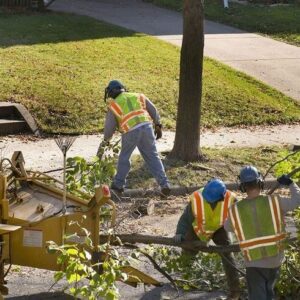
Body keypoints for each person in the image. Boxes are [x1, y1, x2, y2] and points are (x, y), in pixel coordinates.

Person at [224, 165, 300, 300]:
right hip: (275, 258)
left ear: (242, 186)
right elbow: (296, 200)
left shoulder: (235, 209)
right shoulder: (275, 201)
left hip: (253, 261)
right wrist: (291, 183)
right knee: (269, 293)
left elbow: (227, 228)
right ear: (260, 182)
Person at [97, 80, 170, 196]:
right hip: (147, 128)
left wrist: (106, 140)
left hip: (130, 131)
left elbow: (109, 128)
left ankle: (118, 185)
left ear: (111, 92)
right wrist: (158, 125)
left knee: (124, 157)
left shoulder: (114, 105)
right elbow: (153, 110)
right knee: (153, 156)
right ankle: (165, 184)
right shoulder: (138, 96)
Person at [174, 179, 241, 300]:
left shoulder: (231, 199)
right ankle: (184, 276)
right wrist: (179, 233)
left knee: (227, 253)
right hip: (199, 228)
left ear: (221, 197)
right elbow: (185, 218)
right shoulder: (197, 198)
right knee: (188, 250)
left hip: (220, 228)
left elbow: (241, 218)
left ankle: (235, 290)